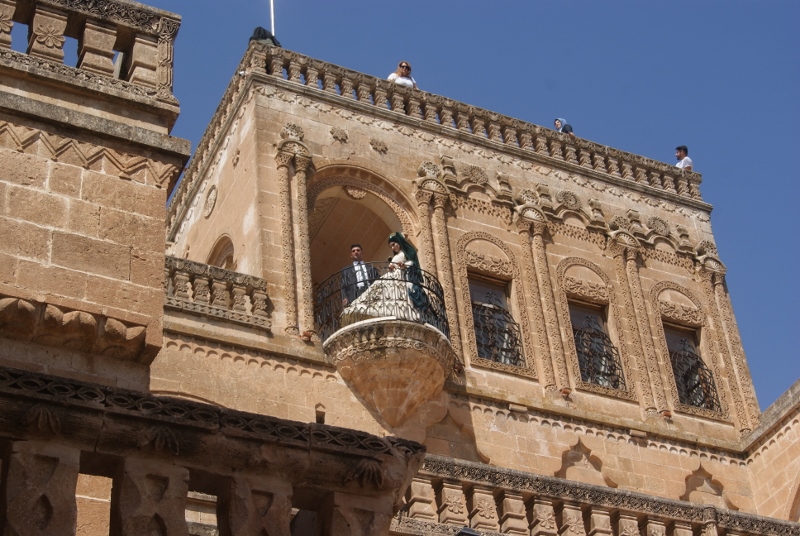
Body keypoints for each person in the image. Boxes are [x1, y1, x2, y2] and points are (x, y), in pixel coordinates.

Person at [341, 232, 428, 325]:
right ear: (351, 254)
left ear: (362, 252)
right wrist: (344, 298)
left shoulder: (371, 268)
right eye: (353, 251)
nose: (356, 252)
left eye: (358, 250)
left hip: (371, 290)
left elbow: (378, 280)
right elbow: (343, 285)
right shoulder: (346, 270)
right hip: (354, 293)